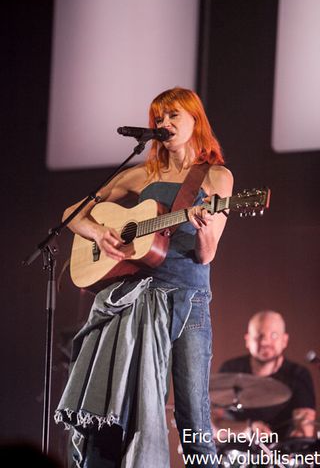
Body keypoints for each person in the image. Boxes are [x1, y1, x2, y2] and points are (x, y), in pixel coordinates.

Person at [54, 86, 234, 467]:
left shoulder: (216, 177)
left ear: (195, 120)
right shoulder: (143, 174)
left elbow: (207, 253)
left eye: (174, 116)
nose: (164, 124)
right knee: (116, 406)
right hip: (136, 298)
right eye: (159, 118)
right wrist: (98, 233)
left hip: (188, 301)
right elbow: (73, 212)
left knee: (192, 415)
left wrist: (202, 227)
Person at [213, 311, 316, 443]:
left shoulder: (298, 375)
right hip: (236, 456)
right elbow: (212, 425)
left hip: (280, 457)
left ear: (284, 341)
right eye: (259, 336)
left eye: (274, 335)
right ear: (248, 340)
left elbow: (304, 430)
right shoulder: (230, 369)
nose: (265, 341)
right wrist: (247, 429)